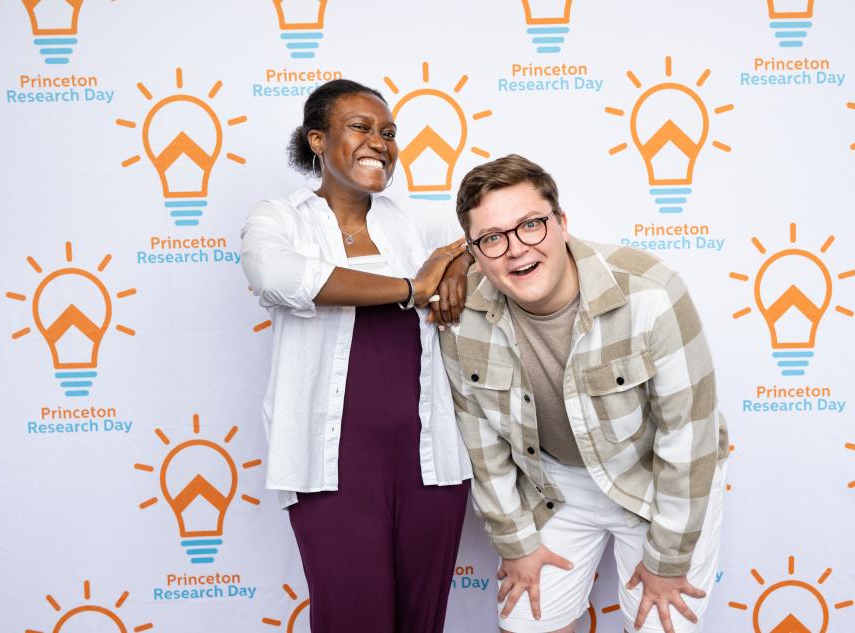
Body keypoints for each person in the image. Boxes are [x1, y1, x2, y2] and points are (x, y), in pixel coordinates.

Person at [439, 155, 730, 633]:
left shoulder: (651, 293)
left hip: (656, 480)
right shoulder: (461, 315)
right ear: (473, 251)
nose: (515, 249)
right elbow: (481, 444)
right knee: (526, 623)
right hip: (554, 483)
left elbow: (689, 438)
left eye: (531, 225)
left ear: (562, 224)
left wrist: (668, 560)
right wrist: (516, 543)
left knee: (661, 625)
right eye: (492, 238)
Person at [241, 79, 474, 633]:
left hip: (431, 460)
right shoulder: (281, 217)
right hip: (332, 464)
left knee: (423, 621)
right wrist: (413, 289)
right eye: (361, 128)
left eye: (389, 132)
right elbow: (276, 275)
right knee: (353, 617)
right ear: (317, 140)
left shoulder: (418, 221)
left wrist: (460, 264)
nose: (380, 142)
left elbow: (481, 238)